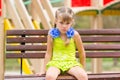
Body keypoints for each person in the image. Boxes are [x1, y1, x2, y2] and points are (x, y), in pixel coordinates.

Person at [39, 6, 88, 80]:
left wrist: (82, 68)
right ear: (56, 21)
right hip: (55, 63)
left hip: (71, 63)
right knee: (50, 76)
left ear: (72, 22)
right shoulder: (51, 35)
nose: (64, 26)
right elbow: (48, 53)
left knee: (83, 76)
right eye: (61, 23)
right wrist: (43, 70)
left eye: (67, 23)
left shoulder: (75, 35)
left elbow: (81, 52)